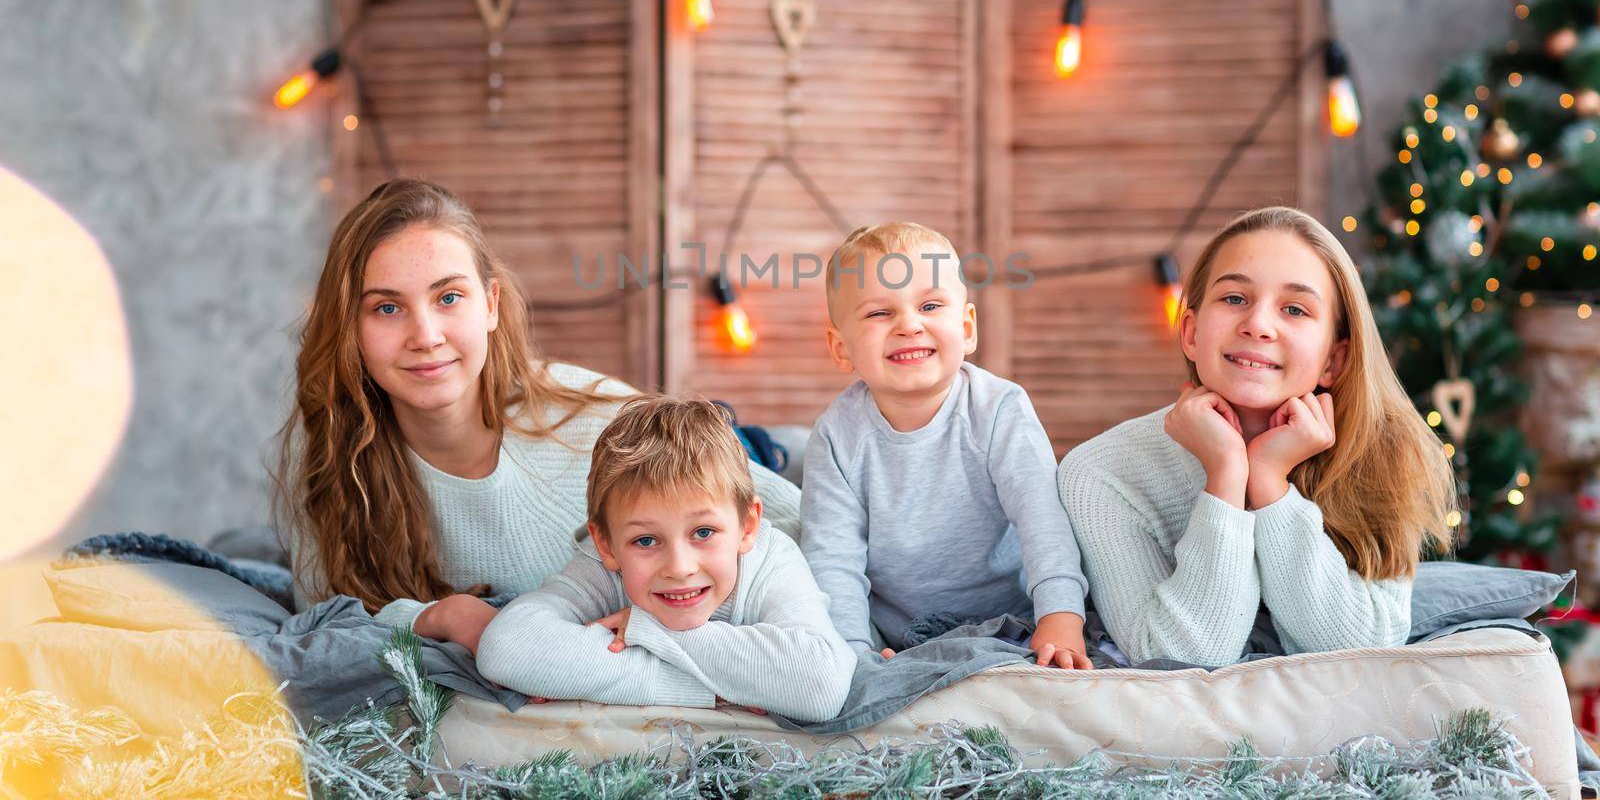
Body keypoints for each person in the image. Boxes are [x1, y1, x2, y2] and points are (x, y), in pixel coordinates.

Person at [273, 179, 800, 649]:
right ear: (351, 325)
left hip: (724, 452)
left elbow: (794, 522)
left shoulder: (591, 416)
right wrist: (437, 617)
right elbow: (321, 617)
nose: (425, 336)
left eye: (449, 297)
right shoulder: (328, 444)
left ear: (491, 305)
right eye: (387, 308)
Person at [1057, 206, 1455, 668]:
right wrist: (1226, 477)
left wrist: (1270, 485)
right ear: (1190, 332)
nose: (1258, 325)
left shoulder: (1383, 453)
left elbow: (1364, 646)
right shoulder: (1100, 474)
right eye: (1233, 299)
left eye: (1294, 309)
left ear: (1334, 359)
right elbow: (1176, 658)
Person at [800, 222, 1091, 668]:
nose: (909, 325)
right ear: (841, 349)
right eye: (879, 314)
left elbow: (1041, 518)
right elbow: (833, 558)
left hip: (1013, 616)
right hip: (899, 632)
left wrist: (1061, 614)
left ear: (967, 327)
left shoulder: (998, 408)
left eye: (930, 305)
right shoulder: (837, 435)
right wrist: (852, 651)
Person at [472, 395, 854, 721]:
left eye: (703, 533)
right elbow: (508, 647)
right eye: (646, 540)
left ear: (747, 527)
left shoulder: (773, 559)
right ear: (606, 545)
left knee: (781, 447)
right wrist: (714, 692)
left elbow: (821, 683)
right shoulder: (602, 562)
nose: (679, 567)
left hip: (776, 463)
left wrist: (646, 630)